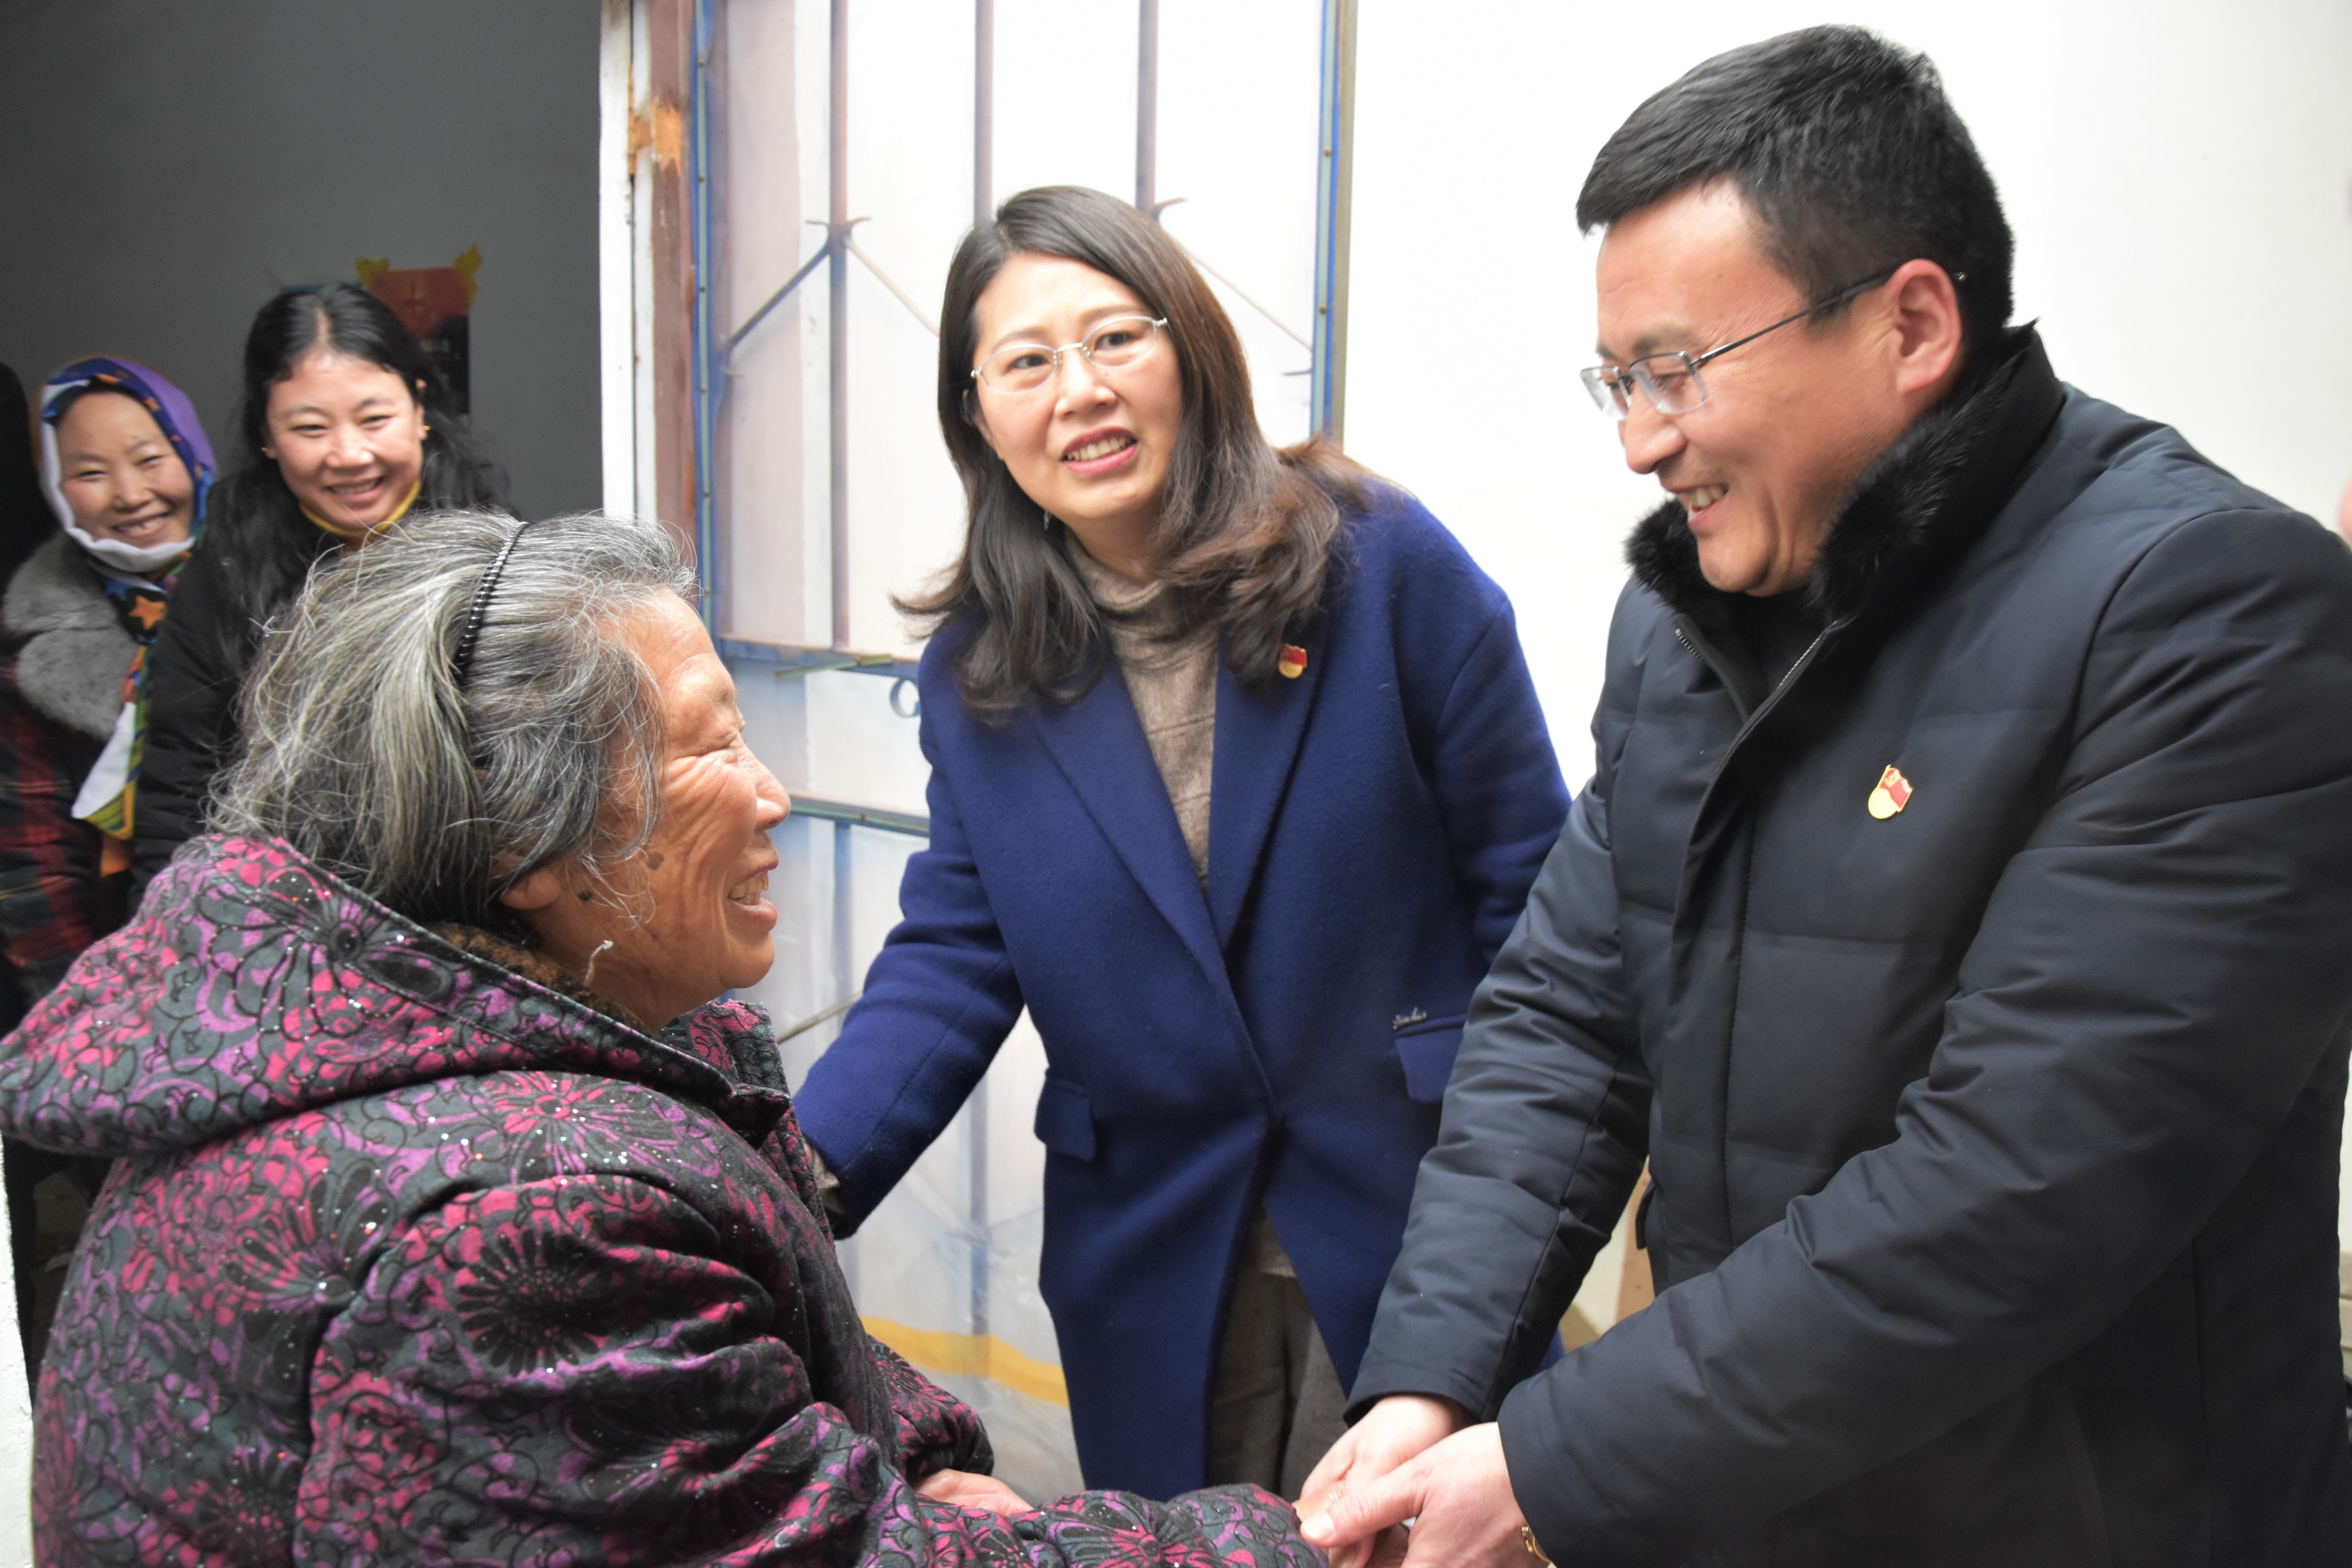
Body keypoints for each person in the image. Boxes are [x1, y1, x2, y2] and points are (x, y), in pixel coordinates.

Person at [1302, 26, 2352, 1568]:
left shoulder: (2206, 608)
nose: (1640, 438)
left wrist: (1554, 1456)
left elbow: (2024, 1181)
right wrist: (1433, 1377)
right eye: (1617, 378)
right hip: (1740, 1490)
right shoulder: (1687, 619)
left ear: (1911, 322)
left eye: (1676, 368)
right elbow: (1568, 1020)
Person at [0, 508, 1324, 1567]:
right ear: (520, 839)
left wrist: (913, 1451)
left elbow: (729, 1373)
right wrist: (1281, 1545)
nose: (771, 794)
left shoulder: (338, 1027)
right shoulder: (522, 1219)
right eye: (711, 748)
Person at [792, 184, 1568, 1502]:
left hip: (1416, 1217)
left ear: (1190, 348)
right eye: (1025, 362)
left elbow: (1536, 905)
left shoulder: (1380, 564)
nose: (1079, 390)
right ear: (977, 416)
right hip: (1155, 1252)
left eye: (1114, 338)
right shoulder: (983, 671)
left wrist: (1526, 1188)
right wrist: (786, 1180)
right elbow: (956, 953)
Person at [131, 282, 503, 894]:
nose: (349, 454)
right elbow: (179, 787)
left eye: (375, 419)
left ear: (419, 409)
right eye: (309, 428)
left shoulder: (498, 559)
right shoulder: (225, 574)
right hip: (283, 909)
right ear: (266, 434)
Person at [0, 356, 214, 1371]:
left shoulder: (278, 589)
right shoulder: (27, 656)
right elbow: (33, 876)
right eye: (89, 471)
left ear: (194, 454)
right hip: (117, 1010)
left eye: (149, 456)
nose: (129, 493)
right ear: (54, 486)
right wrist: (102, 1050)